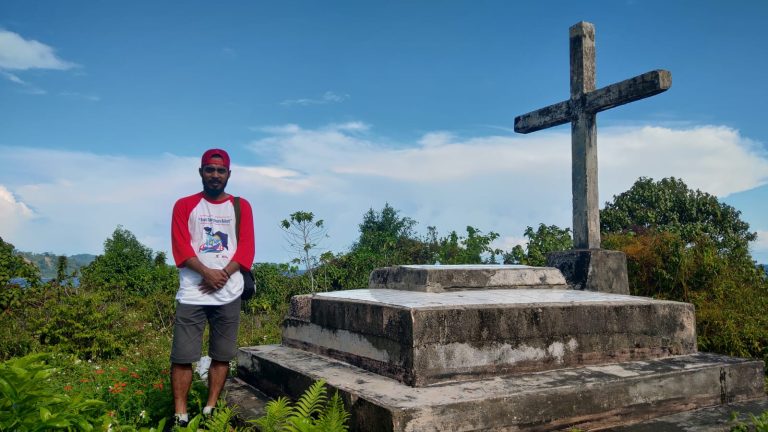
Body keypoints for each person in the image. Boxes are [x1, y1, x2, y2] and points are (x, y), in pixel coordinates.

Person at [169, 148, 255, 426]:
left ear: (228, 174)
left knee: (222, 354)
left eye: (220, 171)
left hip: (229, 292)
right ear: (201, 172)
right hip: (193, 292)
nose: (215, 175)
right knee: (183, 356)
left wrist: (223, 275)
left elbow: (246, 249)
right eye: (210, 169)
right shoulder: (184, 205)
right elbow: (180, 247)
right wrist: (206, 273)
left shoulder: (241, 206)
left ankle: (210, 409)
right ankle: (180, 414)